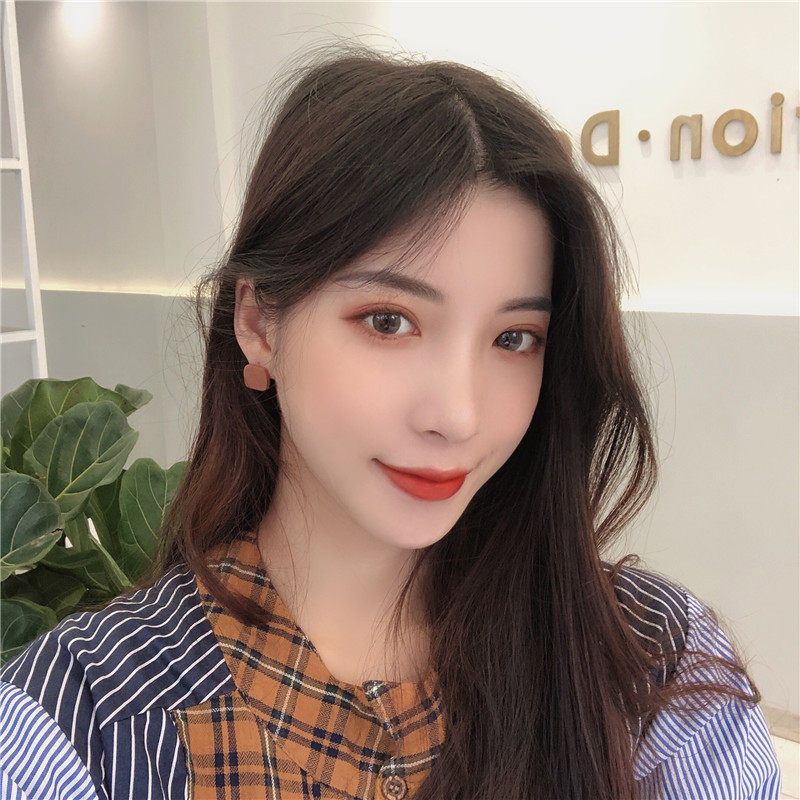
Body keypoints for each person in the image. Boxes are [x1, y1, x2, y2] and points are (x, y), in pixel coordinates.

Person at [0, 43, 782, 800]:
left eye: (514, 338)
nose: (458, 415)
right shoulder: (82, 725)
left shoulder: (653, 668)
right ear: (260, 323)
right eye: (388, 321)